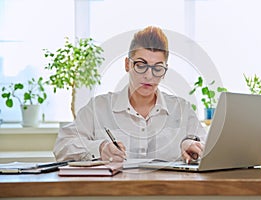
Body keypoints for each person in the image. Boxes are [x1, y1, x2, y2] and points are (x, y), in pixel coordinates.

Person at [53, 26, 207, 164]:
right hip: (114, 193)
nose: (149, 75)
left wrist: (190, 144)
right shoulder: (98, 108)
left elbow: (210, 147)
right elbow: (62, 146)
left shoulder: (182, 109)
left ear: (165, 71)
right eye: (141, 65)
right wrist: (99, 148)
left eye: (158, 68)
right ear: (127, 64)